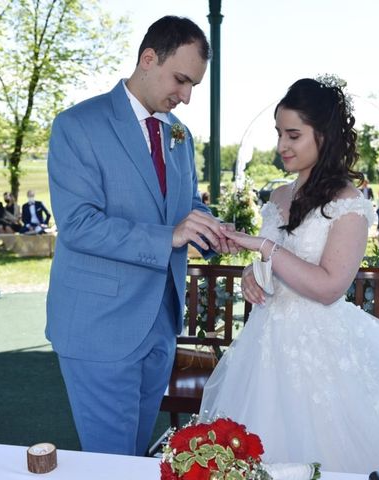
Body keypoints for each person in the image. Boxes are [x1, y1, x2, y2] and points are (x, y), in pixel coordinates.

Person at [200, 76, 379, 475]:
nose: (282, 146)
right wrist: (257, 274)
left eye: (293, 135)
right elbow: (277, 267)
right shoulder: (279, 197)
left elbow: (328, 287)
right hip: (266, 345)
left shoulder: (348, 205)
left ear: (324, 137)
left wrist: (264, 249)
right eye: (279, 134)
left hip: (323, 348)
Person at [45, 16, 235, 456]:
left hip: (160, 325)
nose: (186, 97)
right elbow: (78, 225)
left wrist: (210, 225)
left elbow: (185, 205)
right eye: (181, 80)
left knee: (135, 458)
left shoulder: (178, 135)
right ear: (148, 59)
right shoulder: (78, 125)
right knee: (112, 462)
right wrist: (170, 235)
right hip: (99, 328)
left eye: (193, 86)